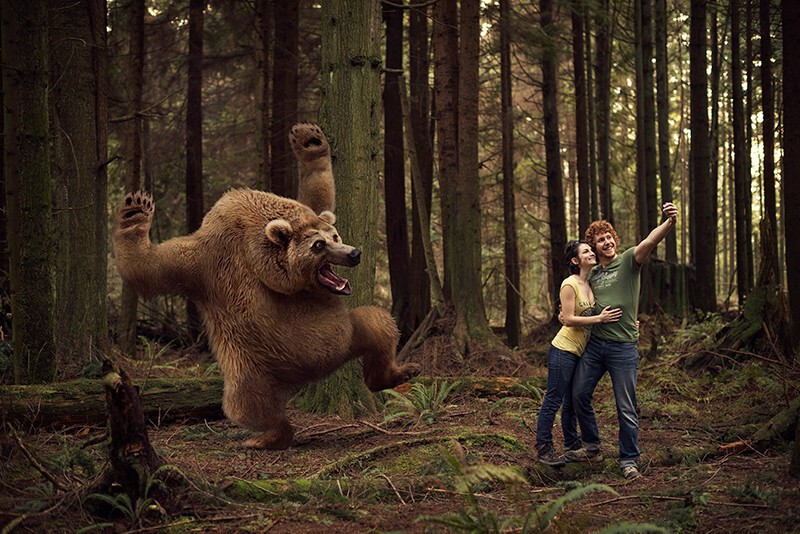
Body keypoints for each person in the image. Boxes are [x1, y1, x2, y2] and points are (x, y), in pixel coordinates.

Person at [566, 203, 678, 479]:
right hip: (595, 345)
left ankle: (629, 460)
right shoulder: (591, 273)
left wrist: (669, 222)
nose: (606, 242)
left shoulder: (629, 261)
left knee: (625, 405)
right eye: (600, 240)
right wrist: (564, 312)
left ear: (615, 240)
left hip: (623, 348)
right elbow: (577, 295)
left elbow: (649, 241)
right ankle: (592, 446)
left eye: (609, 237)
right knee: (579, 393)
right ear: (593, 247)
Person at [536, 240, 622, 466]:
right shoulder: (570, 284)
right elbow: (569, 319)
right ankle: (544, 449)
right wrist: (599, 318)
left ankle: (572, 446)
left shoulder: (590, 283)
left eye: (590, 250)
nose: (592, 253)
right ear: (576, 260)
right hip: (563, 349)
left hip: (579, 352)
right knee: (553, 398)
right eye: (586, 251)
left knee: (572, 401)